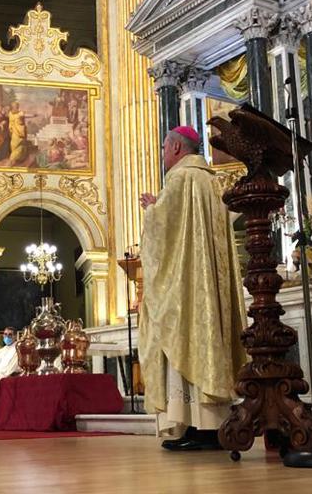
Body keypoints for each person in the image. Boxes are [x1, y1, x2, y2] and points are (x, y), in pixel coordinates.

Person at [138, 126, 247, 451]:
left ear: (174, 147)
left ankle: (200, 429)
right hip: (207, 287)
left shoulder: (181, 179)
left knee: (182, 339)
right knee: (204, 343)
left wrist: (151, 211)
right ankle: (204, 426)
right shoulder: (210, 181)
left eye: (162, 148)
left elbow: (165, 231)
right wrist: (161, 205)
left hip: (185, 289)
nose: (161, 154)